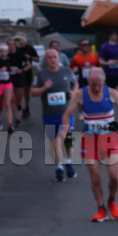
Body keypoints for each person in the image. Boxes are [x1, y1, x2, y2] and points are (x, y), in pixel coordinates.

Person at [63, 66, 118, 221]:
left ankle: (112, 201)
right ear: (88, 82)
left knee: (114, 176)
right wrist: (67, 133)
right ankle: (101, 209)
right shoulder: (80, 94)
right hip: (90, 140)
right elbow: (67, 115)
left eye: (99, 84)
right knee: (95, 178)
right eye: (93, 85)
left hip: (109, 139)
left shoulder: (111, 93)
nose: (97, 88)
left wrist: (117, 123)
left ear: (104, 81)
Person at [35, 45, 78, 182]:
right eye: (49, 57)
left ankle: (68, 162)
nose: (52, 59)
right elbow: (33, 92)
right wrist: (44, 88)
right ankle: (59, 167)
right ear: (46, 60)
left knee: (67, 139)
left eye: (54, 57)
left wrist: (74, 92)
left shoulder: (67, 71)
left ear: (59, 58)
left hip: (66, 113)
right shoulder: (41, 75)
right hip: (49, 114)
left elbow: (75, 83)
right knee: (54, 142)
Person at [7, 32, 38, 122]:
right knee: (18, 91)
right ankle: (20, 107)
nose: (19, 42)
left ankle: (26, 107)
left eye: (20, 40)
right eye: (17, 40)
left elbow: (37, 59)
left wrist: (30, 57)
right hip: (16, 74)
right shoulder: (14, 49)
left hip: (27, 72)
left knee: (26, 92)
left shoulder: (29, 48)